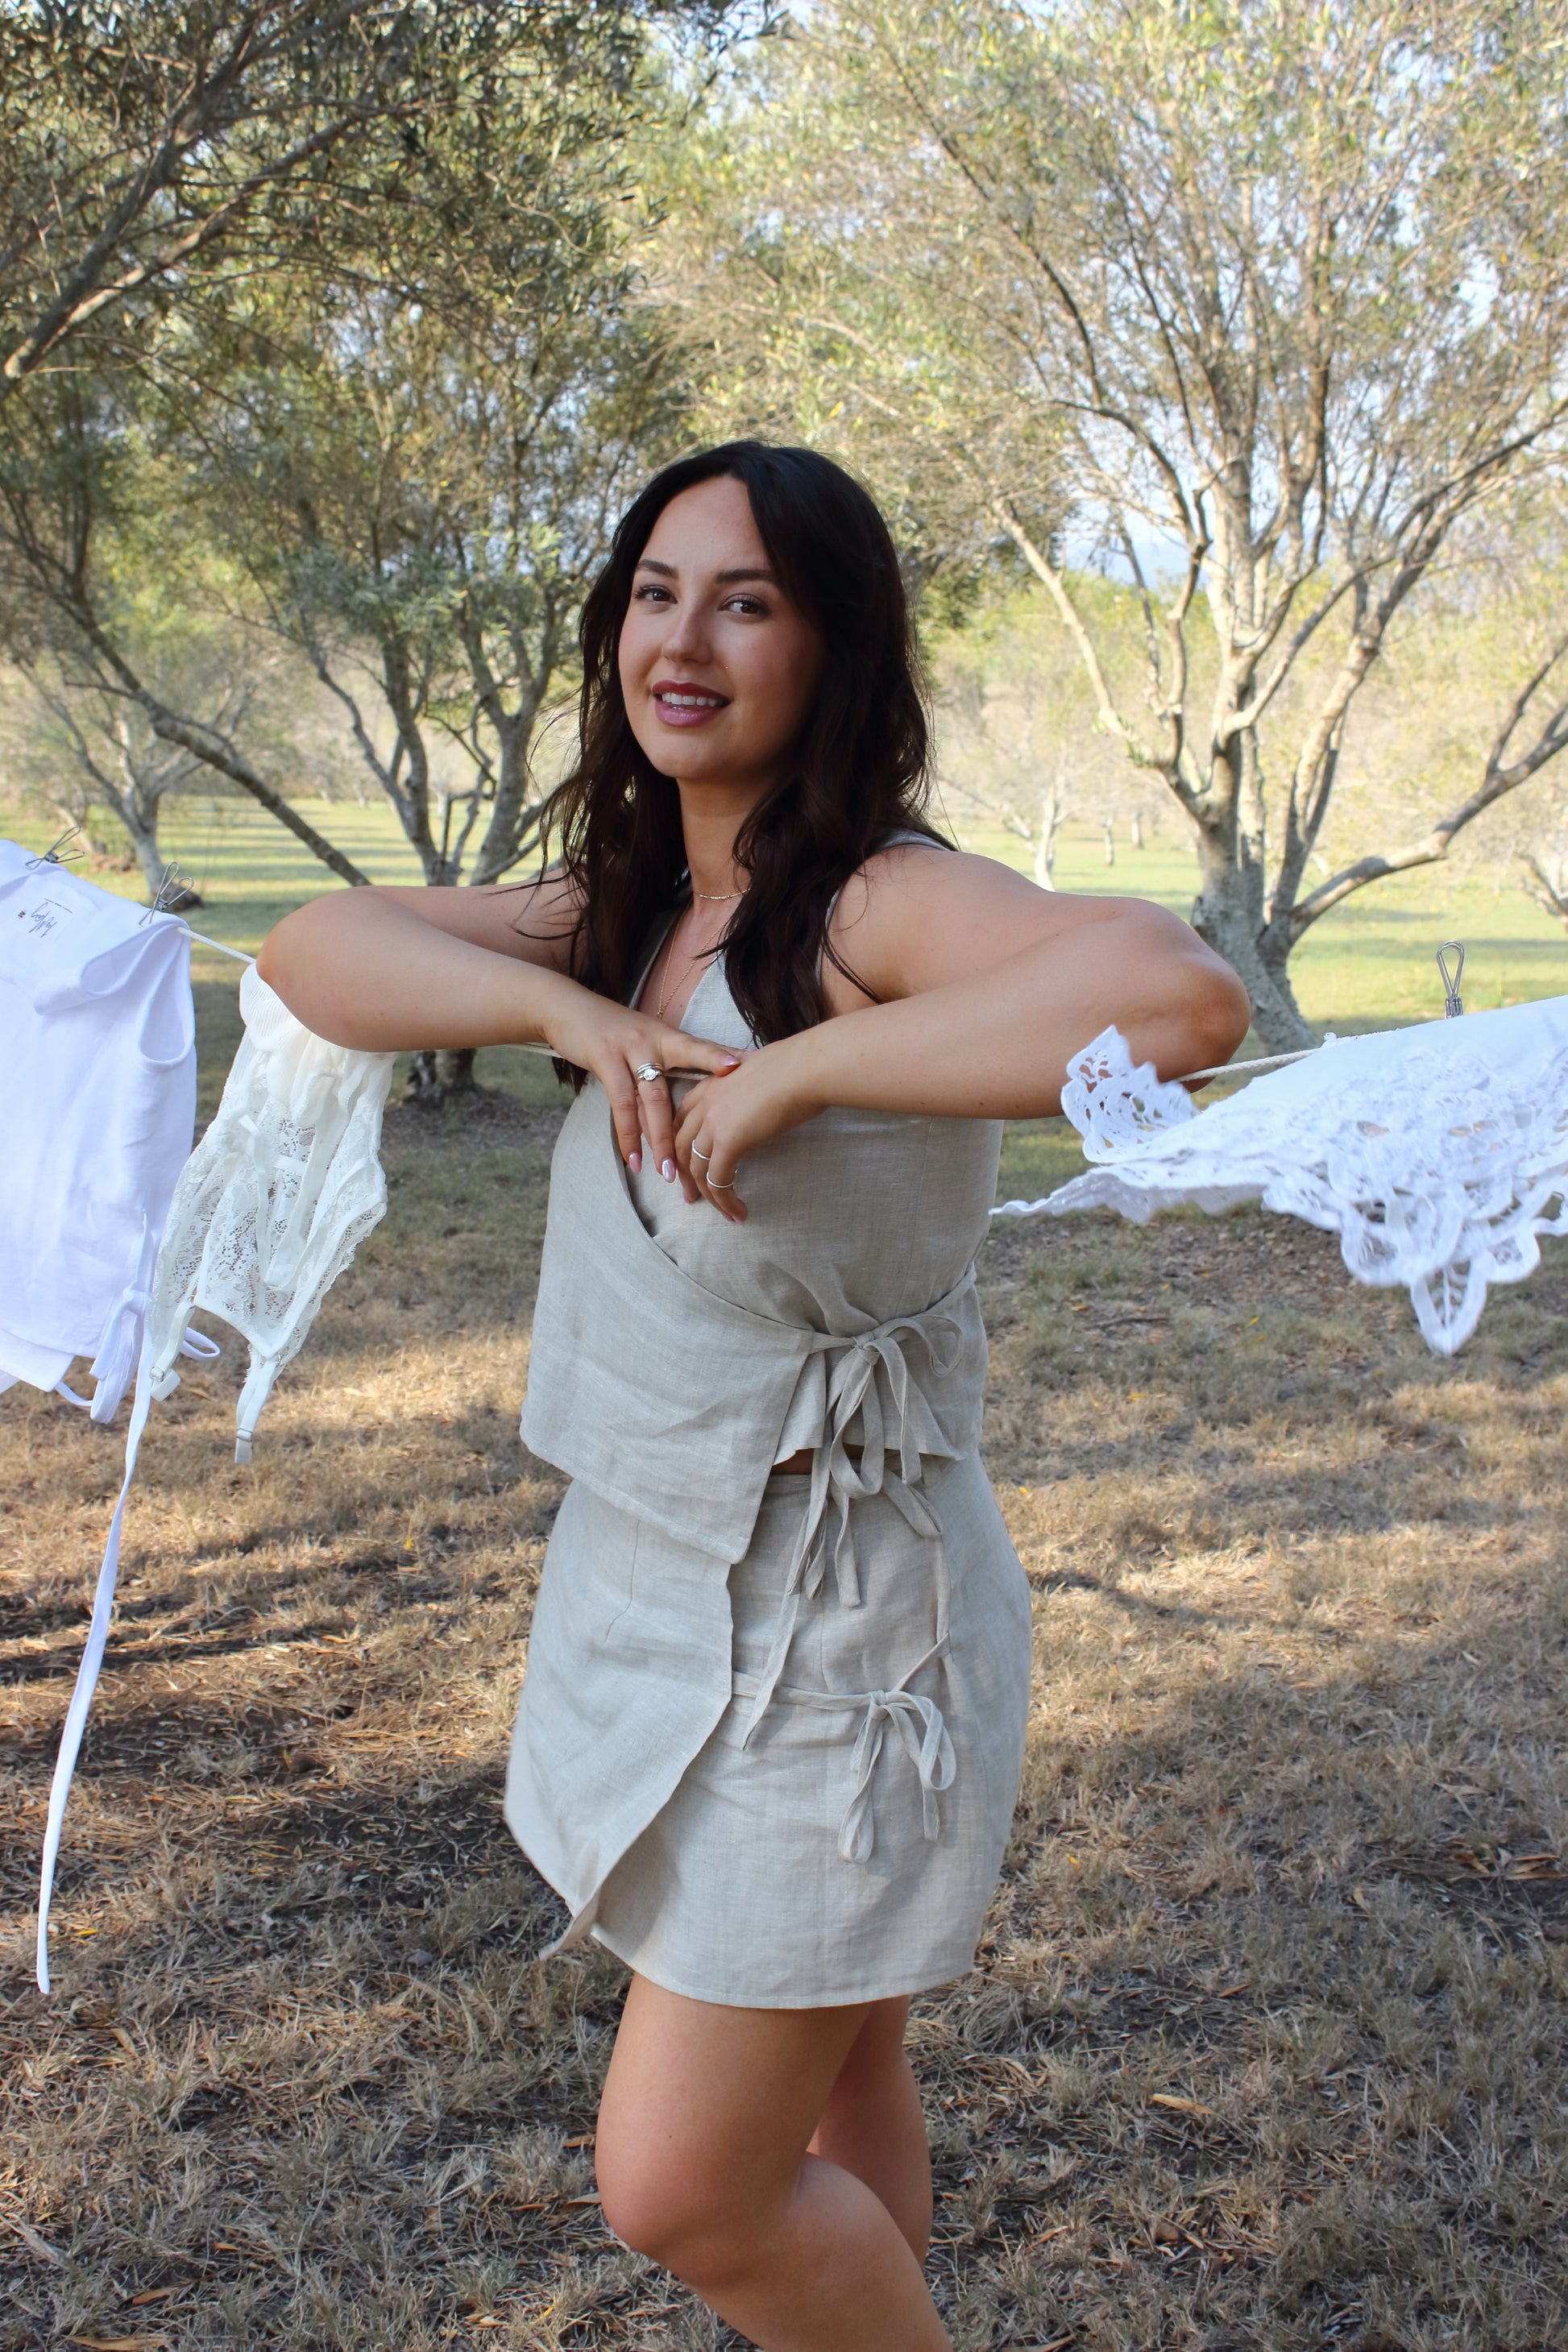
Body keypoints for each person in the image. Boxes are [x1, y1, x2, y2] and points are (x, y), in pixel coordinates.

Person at [258, 441, 1249, 2351]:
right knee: (841, 2055)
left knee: (686, 2182)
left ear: (834, 646)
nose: (681, 641)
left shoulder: (872, 899)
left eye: (746, 602)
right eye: (654, 591)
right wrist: (562, 1005)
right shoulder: (637, 904)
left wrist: (799, 1068)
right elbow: (315, 956)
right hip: (664, 1558)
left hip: (841, 1607)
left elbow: (1178, 998)